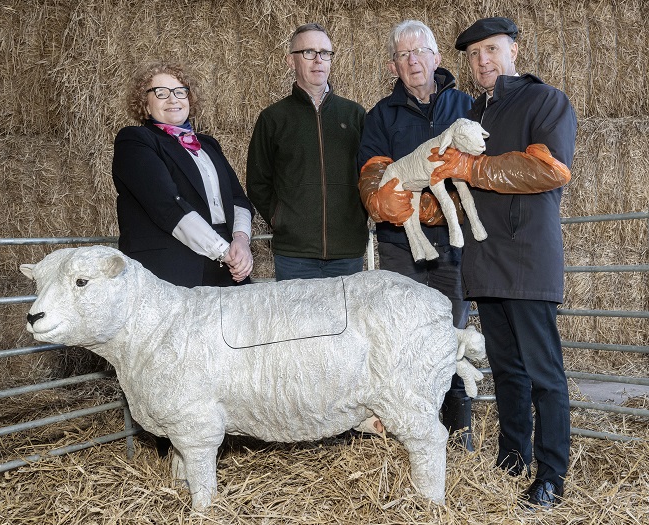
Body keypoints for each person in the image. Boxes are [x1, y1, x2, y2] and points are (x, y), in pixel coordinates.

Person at [429, 17, 577, 509]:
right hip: (486, 260)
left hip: (527, 257)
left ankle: (551, 472)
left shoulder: (545, 101)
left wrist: (470, 167)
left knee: (544, 372)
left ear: (514, 49)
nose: (482, 61)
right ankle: (512, 459)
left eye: (491, 49)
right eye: (473, 55)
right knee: (507, 369)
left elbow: (547, 168)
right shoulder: (472, 114)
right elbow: (455, 184)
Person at [112, 60, 255, 455]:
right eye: (160, 92)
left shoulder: (207, 144)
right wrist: (225, 250)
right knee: (176, 361)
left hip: (222, 263)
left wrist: (241, 241)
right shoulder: (135, 142)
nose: (172, 99)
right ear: (145, 102)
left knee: (227, 352)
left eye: (179, 91)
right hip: (172, 269)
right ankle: (177, 453)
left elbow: (240, 201)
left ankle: (224, 439)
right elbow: (166, 205)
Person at [357, 20, 475, 449]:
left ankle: (459, 434)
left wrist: (447, 212)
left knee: (450, 332)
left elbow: (479, 169)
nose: (413, 61)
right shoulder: (380, 117)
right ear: (394, 66)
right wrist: (399, 203)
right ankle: (408, 436)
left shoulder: (466, 106)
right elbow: (374, 177)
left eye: (419, 51)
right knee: (403, 338)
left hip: (452, 247)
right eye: (404, 55)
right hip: (400, 246)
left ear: (437, 57)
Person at [246, 23, 368, 281]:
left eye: (325, 53)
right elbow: (258, 182)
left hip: (347, 253)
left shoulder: (355, 114)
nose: (318, 60)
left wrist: (359, 215)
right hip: (294, 256)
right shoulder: (273, 118)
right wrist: (281, 219)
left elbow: (370, 174)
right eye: (308, 53)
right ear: (291, 61)